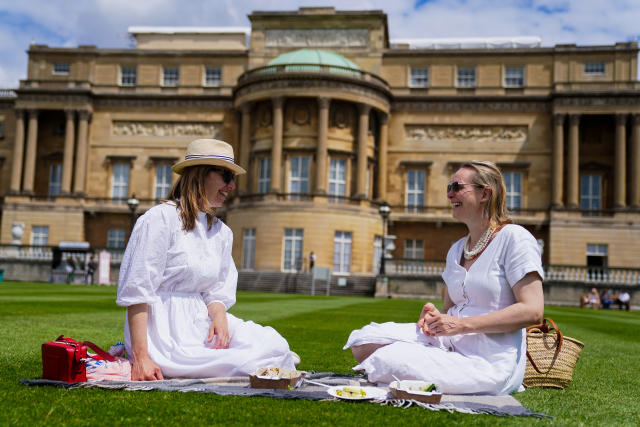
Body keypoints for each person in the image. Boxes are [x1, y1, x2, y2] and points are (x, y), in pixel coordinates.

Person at [344, 161, 544, 395]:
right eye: (449, 187)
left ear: (484, 194)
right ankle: (421, 364)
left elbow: (533, 311)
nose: (449, 194)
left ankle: (410, 366)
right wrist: (434, 318)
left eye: (457, 187)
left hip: (490, 361)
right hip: (449, 344)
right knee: (363, 340)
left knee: (388, 360)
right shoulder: (457, 249)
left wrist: (461, 325)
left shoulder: (514, 238)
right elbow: (449, 311)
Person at [116, 138, 298, 381]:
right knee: (248, 363)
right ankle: (192, 360)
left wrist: (219, 317)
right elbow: (138, 290)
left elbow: (215, 291)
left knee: (275, 346)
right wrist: (141, 357)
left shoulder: (221, 232)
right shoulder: (160, 219)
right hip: (163, 332)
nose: (232, 186)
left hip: (200, 321)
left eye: (233, 178)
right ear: (200, 174)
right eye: (226, 176)